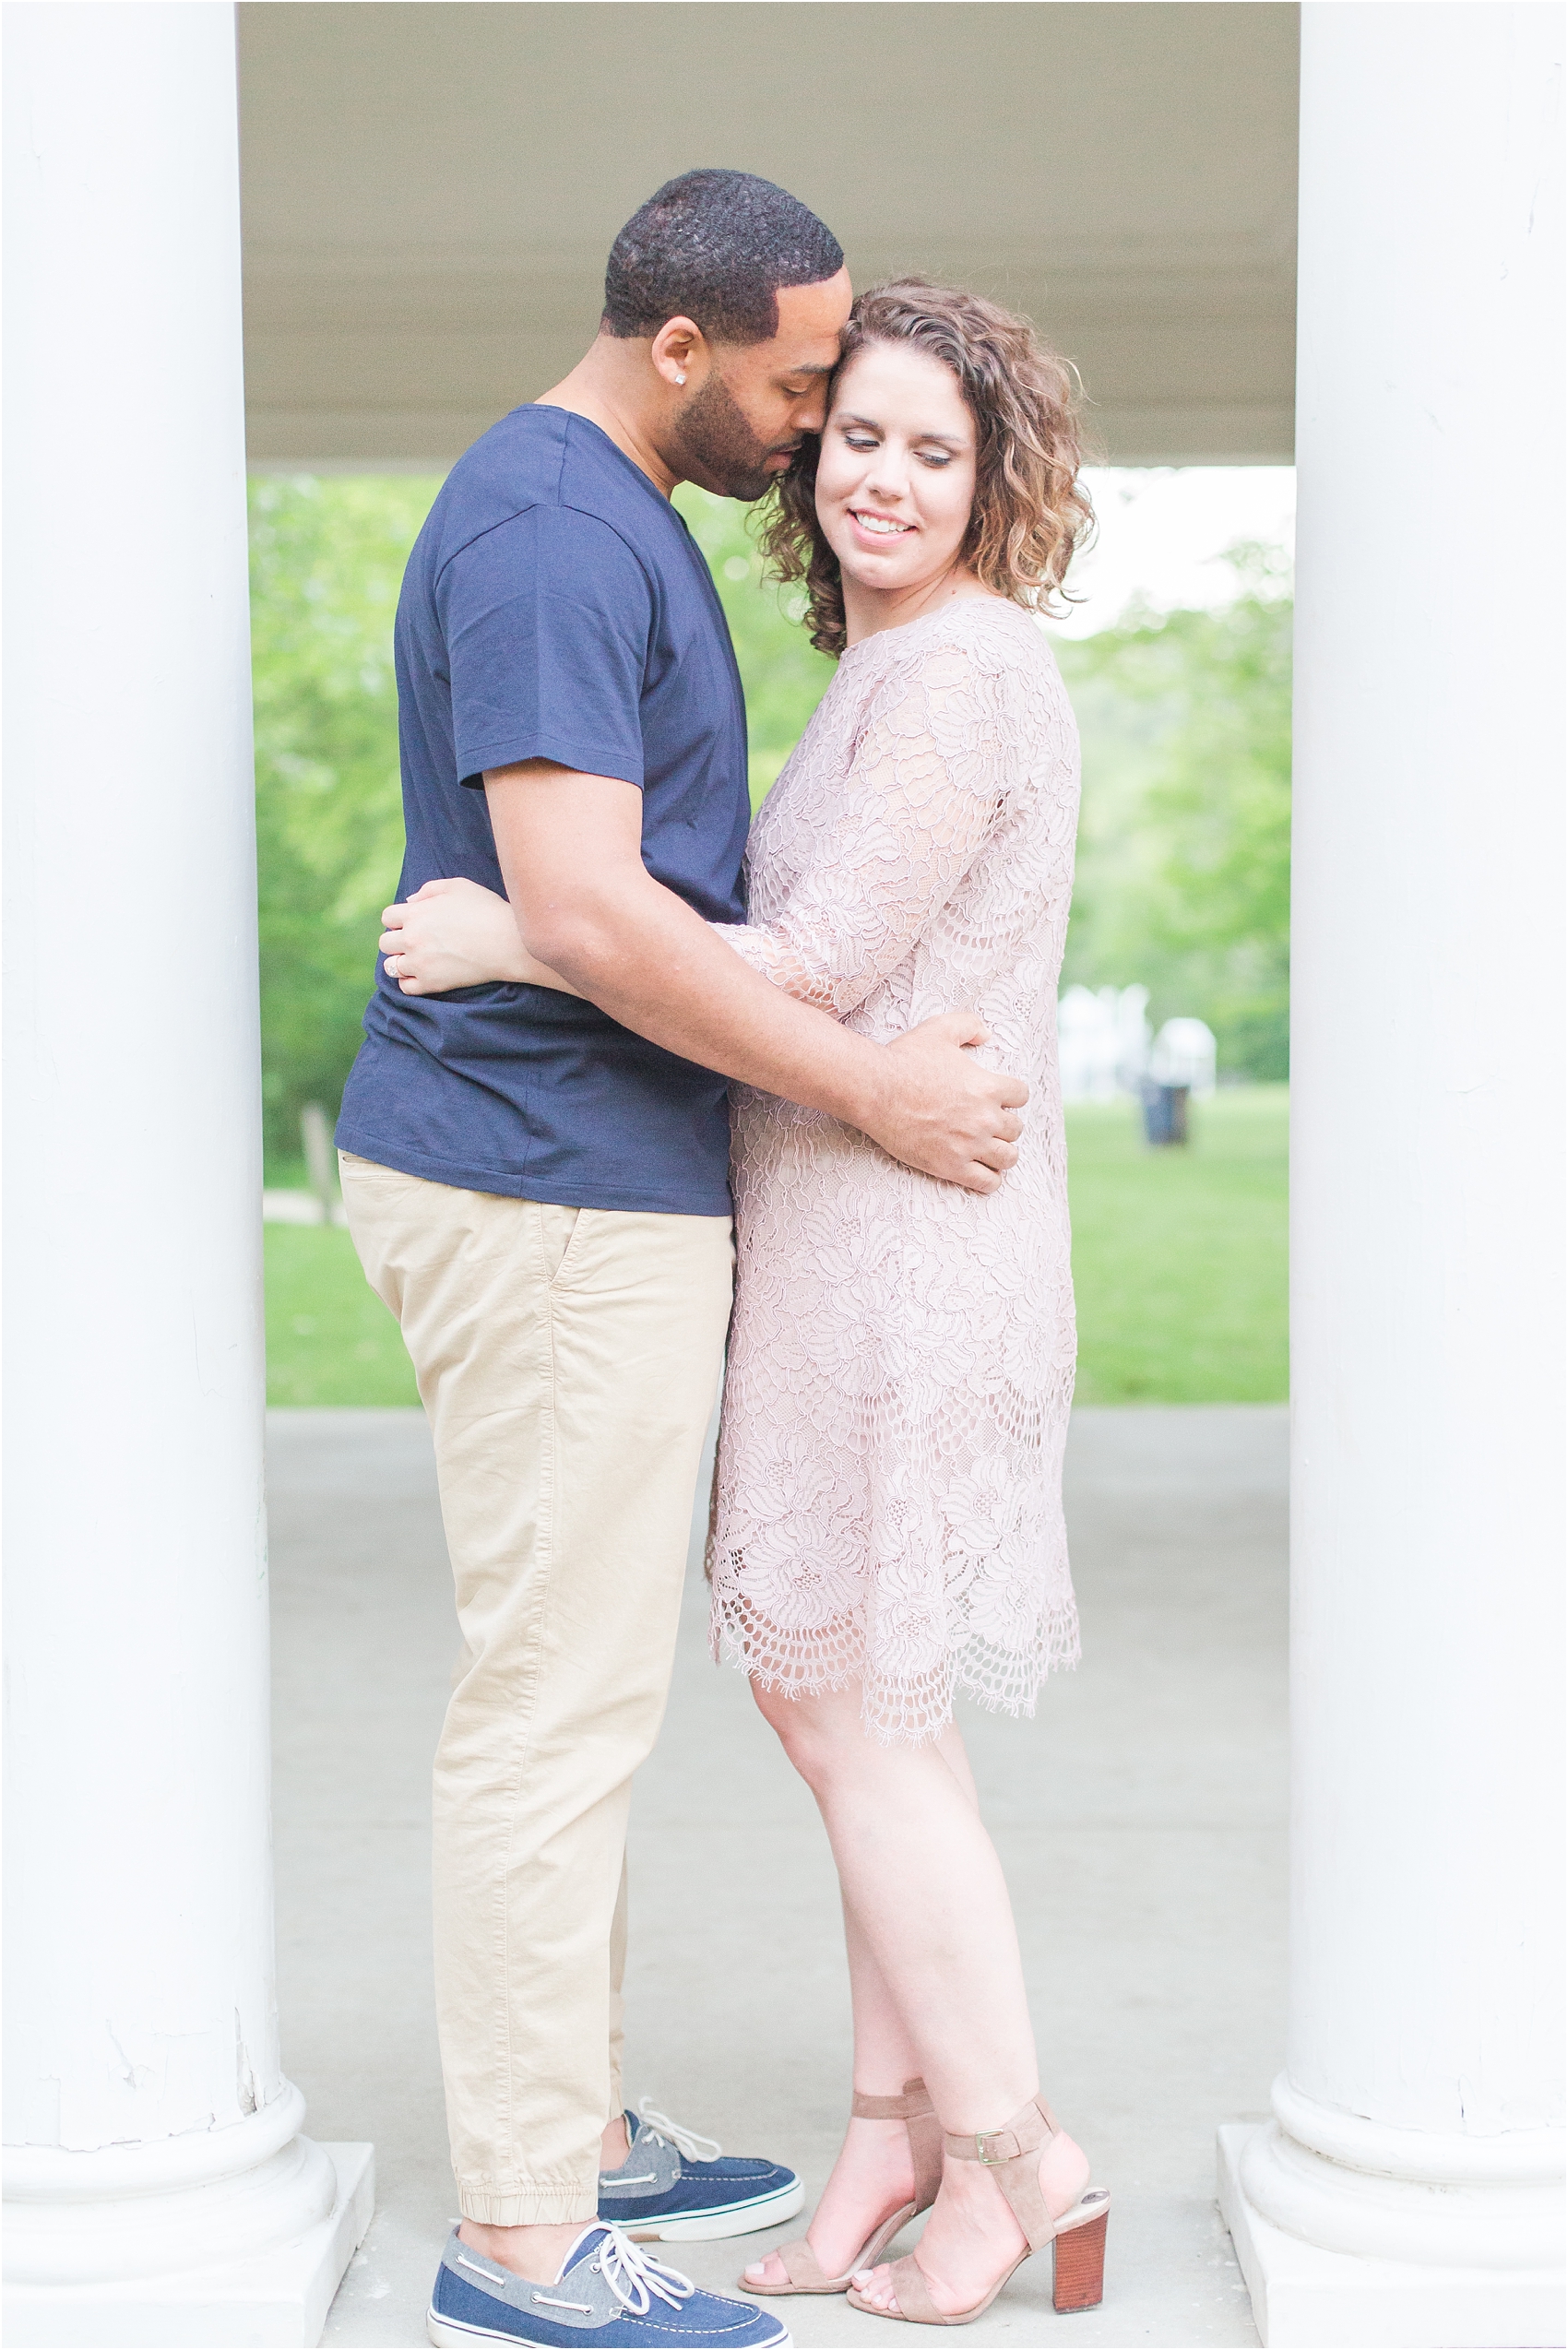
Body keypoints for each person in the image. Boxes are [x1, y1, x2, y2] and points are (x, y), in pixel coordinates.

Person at [335, 172, 1029, 2350]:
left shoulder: (608, 510)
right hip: (544, 1185)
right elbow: (600, 899)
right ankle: (528, 2230)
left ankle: (581, 2125)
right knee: (550, 1715)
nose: (821, 427)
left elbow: (590, 897)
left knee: (585, 1699)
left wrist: (529, 921)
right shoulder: (553, 527)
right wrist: (885, 1092)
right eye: (806, 381)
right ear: (681, 349)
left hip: (594, 1174)